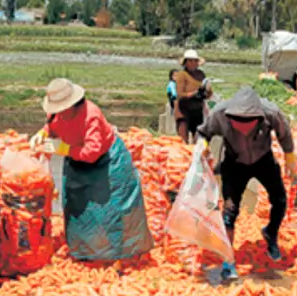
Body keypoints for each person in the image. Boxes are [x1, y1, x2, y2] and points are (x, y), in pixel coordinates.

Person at [28, 79, 153, 262]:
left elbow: (92, 152)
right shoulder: (55, 115)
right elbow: (52, 126)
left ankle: (121, 256)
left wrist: (64, 149)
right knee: (79, 209)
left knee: (112, 209)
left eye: (63, 108)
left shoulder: (90, 115)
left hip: (106, 161)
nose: (60, 112)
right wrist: (43, 134)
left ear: (73, 103)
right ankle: (86, 253)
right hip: (77, 161)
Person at [196, 87, 295, 261]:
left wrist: (289, 155)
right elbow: (203, 132)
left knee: (279, 200)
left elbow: (284, 134)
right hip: (235, 163)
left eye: (248, 122)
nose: (243, 127)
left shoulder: (270, 112)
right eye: (238, 121)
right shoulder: (219, 114)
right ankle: (227, 255)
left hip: (263, 160)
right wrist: (203, 146)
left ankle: (271, 233)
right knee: (230, 209)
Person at [174, 50, 212, 143]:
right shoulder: (182, 75)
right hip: (184, 110)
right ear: (186, 62)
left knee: (198, 139)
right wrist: (194, 93)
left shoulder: (201, 74)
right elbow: (180, 94)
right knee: (183, 140)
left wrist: (207, 91)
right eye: (190, 61)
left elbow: (208, 94)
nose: (192, 63)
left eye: (194, 61)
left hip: (197, 110)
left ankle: (195, 156)